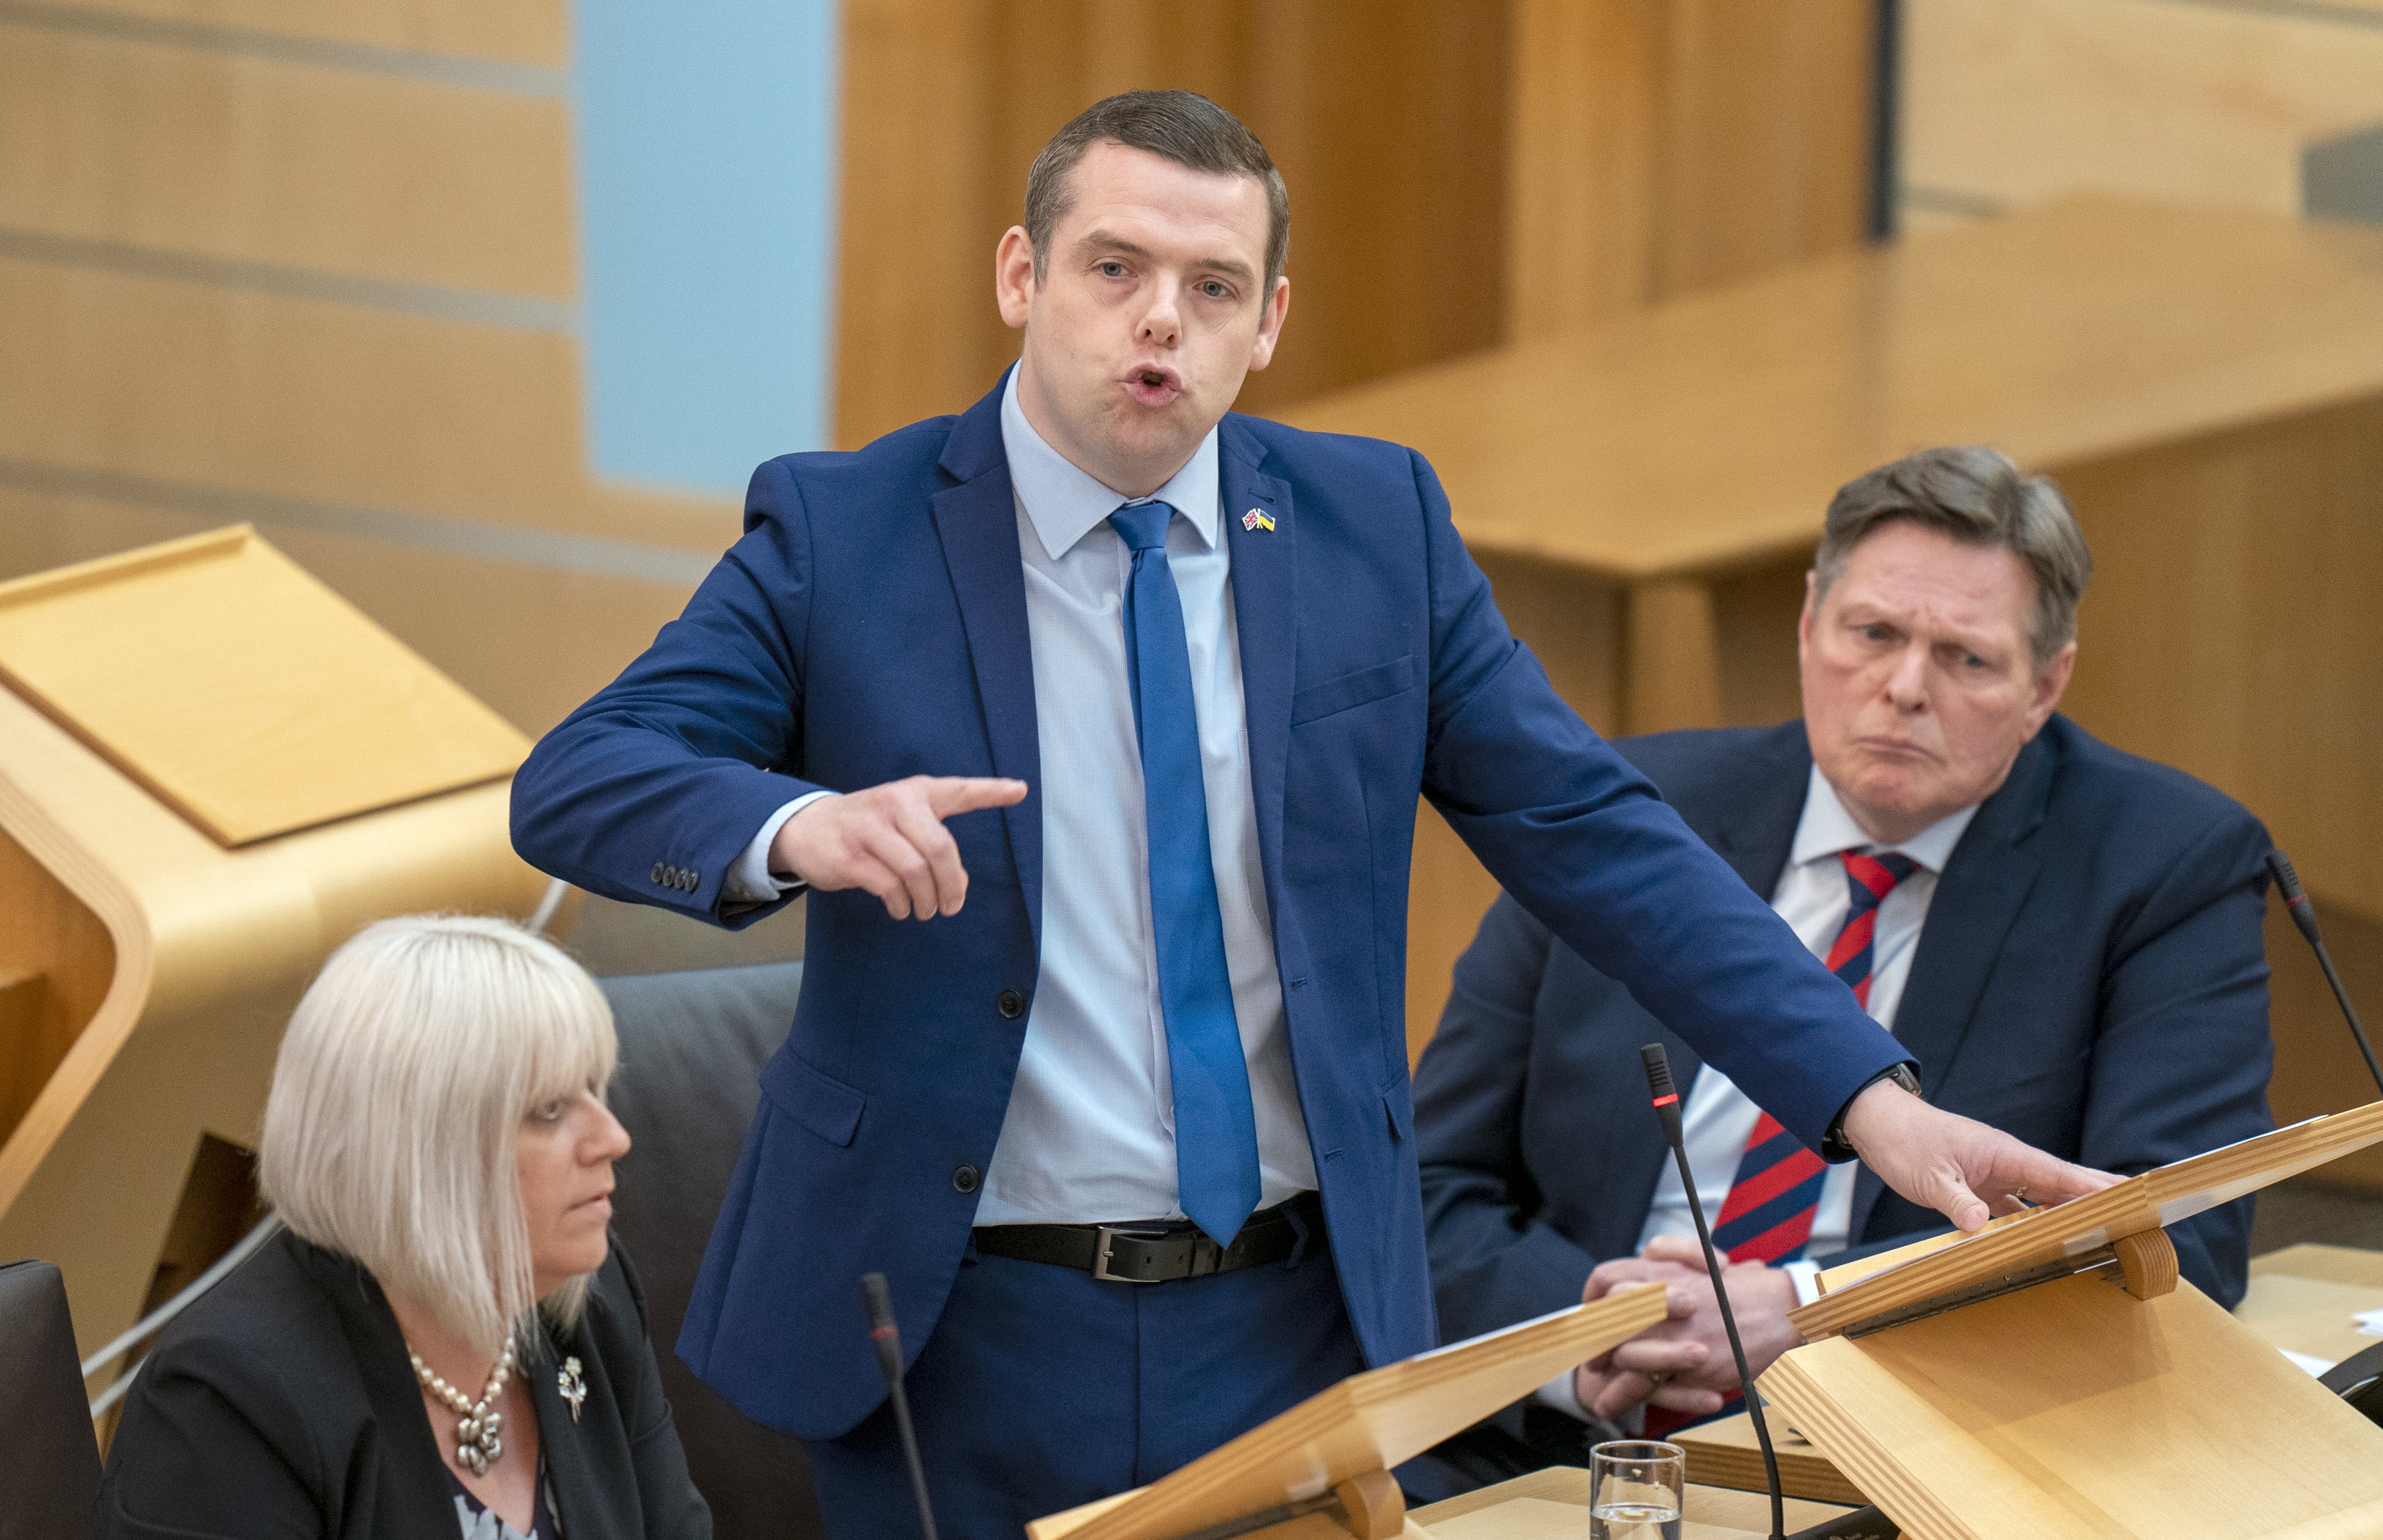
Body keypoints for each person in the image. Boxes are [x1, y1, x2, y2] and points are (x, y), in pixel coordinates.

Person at [506, 93, 2108, 1539]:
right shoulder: (846, 531)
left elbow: (1590, 833)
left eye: (1211, 291)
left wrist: (1873, 1109)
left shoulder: (1370, 527)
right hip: (948, 1328)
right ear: (1020, 276)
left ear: (1267, 321)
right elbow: (579, 778)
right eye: (1112, 270)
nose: (1159, 325)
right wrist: (794, 830)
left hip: (1294, 1323)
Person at [1411, 446, 2275, 1471]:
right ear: (1808, 622)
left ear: (2045, 683)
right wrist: (1596, 1327)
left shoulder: (2162, 862)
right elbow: (1422, 1183)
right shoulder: (1633, 815)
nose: (1902, 687)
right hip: (1554, 1440)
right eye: (1871, 633)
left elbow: (2174, 1241)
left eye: (1964, 658)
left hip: (1904, 1460)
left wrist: (1811, 1311)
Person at [98, 915, 711, 1540]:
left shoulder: (588, 1303)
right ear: (417, 1156)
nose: (614, 1137)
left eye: (593, 1088)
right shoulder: (228, 1402)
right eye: (549, 1110)